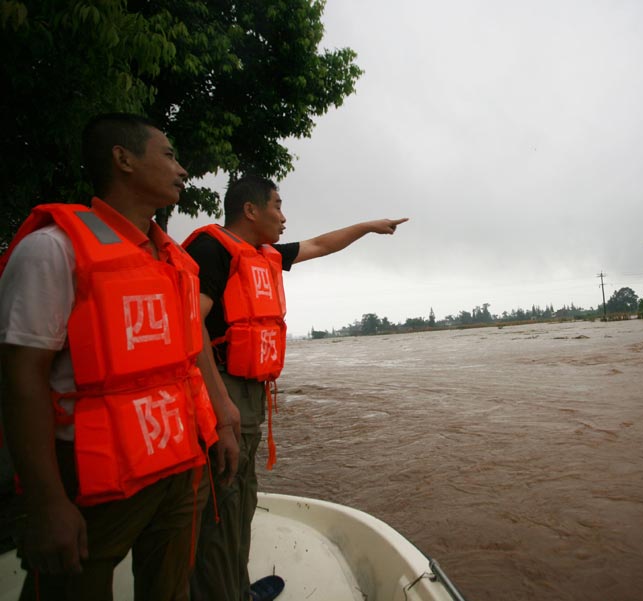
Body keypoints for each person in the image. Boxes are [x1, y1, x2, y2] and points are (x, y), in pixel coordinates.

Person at [0, 113, 239, 600]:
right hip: (92, 478)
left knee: (171, 592)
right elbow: (21, 378)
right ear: (123, 159)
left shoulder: (175, 262)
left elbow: (191, 350)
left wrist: (222, 419)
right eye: (169, 155)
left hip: (179, 467)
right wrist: (46, 502)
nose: (182, 169)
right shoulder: (54, 250)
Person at [183, 175, 407, 601]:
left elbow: (320, 245)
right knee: (221, 504)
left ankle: (234, 589)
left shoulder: (262, 255)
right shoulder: (212, 250)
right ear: (250, 210)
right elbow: (189, 327)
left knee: (242, 498)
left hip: (249, 392)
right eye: (277, 206)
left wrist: (368, 227)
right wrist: (221, 406)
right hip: (221, 390)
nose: (284, 217)